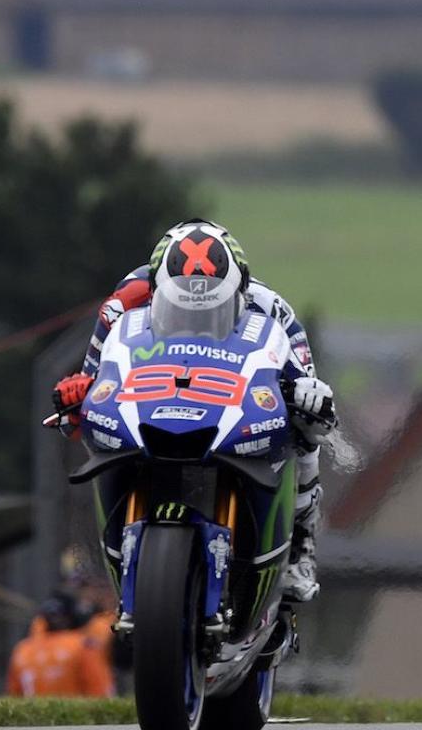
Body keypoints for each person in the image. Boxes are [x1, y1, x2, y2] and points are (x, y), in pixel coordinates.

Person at [50, 219, 337, 602]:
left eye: (211, 307)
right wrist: (73, 398)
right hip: (157, 405)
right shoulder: (123, 304)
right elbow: (92, 386)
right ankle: (116, 545)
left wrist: (308, 398)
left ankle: (302, 546)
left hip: (230, 409)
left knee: (307, 433)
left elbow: (311, 391)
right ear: (155, 292)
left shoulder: (272, 309)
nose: (195, 316)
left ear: (238, 290)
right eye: (181, 308)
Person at [6, 591, 114, 698]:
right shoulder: (83, 646)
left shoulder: (22, 650)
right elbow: (101, 691)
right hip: (77, 713)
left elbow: (14, 697)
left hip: (32, 714)